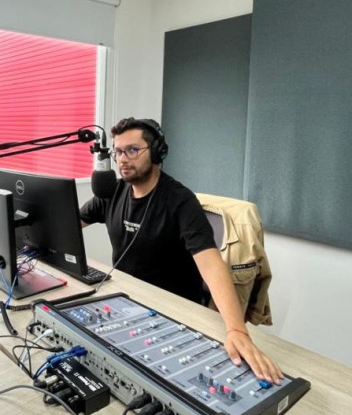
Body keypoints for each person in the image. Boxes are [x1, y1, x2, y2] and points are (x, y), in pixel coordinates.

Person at [80, 117, 283, 383]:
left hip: (172, 313)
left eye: (132, 150)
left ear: (156, 152)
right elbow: (70, 224)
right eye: (118, 151)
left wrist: (237, 329)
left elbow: (211, 264)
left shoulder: (180, 201)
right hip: (125, 302)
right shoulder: (112, 193)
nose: (122, 159)